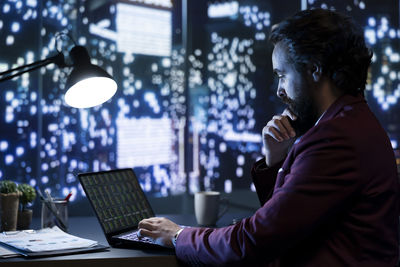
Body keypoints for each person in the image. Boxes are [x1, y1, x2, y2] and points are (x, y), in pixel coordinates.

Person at [138, 8, 400, 266]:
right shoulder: (351, 122)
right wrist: (277, 161)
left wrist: (178, 236)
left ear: (315, 70)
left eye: (282, 75)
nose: (279, 91)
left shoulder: (335, 140)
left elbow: (253, 241)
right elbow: (288, 222)